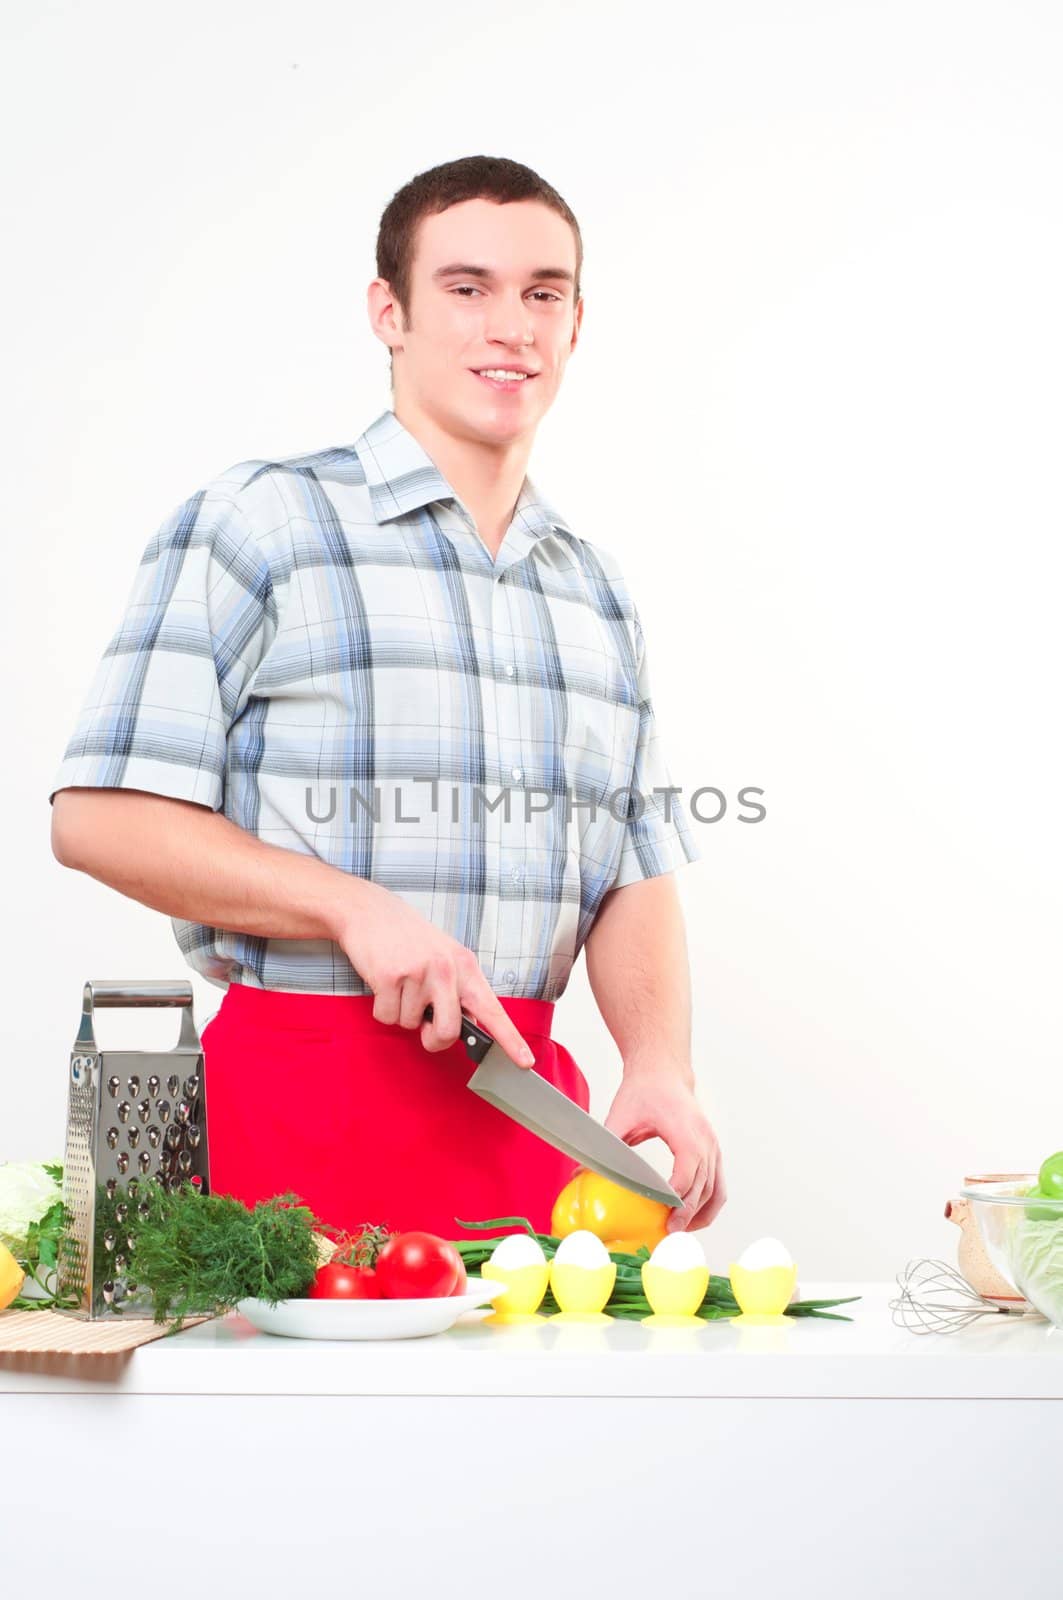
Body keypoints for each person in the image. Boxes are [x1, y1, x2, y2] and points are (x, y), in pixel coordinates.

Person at [48, 154, 726, 1244]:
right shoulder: (261, 523)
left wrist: (659, 1063)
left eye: (541, 292)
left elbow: (630, 869)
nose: (510, 325)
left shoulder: (596, 591)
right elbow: (95, 817)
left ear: (575, 323)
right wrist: (351, 905)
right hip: (290, 1136)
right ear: (389, 313)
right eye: (466, 288)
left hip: (531, 1136)